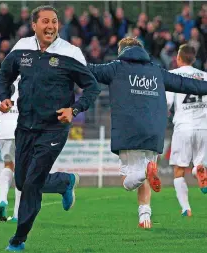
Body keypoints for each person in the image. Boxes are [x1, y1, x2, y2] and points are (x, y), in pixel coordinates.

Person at [0, 5, 100, 251]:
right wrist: (4, 96)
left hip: (54, 128)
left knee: (31, 183)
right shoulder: (21, 48)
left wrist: (74, 110)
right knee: (22, 181)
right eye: (45, 21)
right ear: (34, 25)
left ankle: (18, 239)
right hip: (25, 126)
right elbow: (4, 75)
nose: (51, 26)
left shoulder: (71, 53)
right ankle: (64, 182)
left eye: (54, 21)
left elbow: (92, 86)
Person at [88, 37, 207, 229]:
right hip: (154, 133)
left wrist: (62, 63)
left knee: (129, 181)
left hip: (129, 132)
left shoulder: (116, 67)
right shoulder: (156, 71)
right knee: (145, 170)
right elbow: (186, 84)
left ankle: (145, 173)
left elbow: (89, 70)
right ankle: (145, 217)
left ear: (122, 52)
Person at [166, 44, 207, 217]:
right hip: (204, 127)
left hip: (183, 126)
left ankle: (186, 208)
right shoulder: (205, 76)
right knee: (200, 163)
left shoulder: (172, 76)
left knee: (178, 170)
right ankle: (199, 169)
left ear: (179, 58)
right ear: (194, 59)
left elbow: (166, 104)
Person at [0, 76, 21, 222]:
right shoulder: (29, 79)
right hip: (23, 128)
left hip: (4, 130)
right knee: (22, 171)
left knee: (8, 165)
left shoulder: (2, 82)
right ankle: (16, 215)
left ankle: (3, 199)